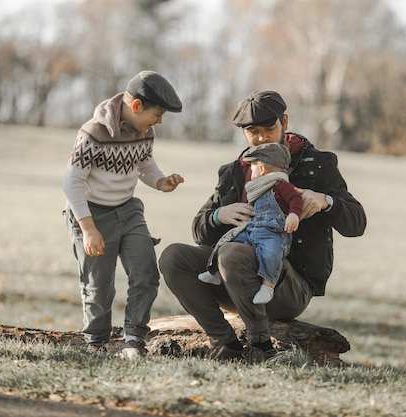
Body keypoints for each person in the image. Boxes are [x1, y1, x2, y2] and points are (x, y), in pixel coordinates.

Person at [159, 90, 366, 362]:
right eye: (252, 131)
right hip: (233, 279)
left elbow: (357, 222)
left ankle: (261, 347)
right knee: (173, 257)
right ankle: (226, 344)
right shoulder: (234, 171)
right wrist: (219, 215)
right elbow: (199, 229)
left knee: (231, 254)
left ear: (285, 122)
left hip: (289, 286)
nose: (260, 138)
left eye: (268, 128)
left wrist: (326, 201)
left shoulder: (317, 164)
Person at [63, 70, 184, 358]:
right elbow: (72, 181)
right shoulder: (93, 133)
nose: (159, 121)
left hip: (128, 210)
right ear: (136, 106)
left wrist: (160, 181)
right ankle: (97, 343)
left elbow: (144, 164)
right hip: (91, 214)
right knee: (98, 285)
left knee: (145, 272)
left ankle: (133, 341)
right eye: (157, 114)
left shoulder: (146, 131)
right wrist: (88, 228)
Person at [197, 142, 303, 305]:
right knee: (228, 241)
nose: (250, 172)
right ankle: (216, 272)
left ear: (261, 169)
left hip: (273, 232)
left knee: (271, 252)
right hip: (252, 229)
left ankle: (268, 286)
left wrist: (294, 215)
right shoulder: (259, 188)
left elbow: (296, 198)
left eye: (252, 168)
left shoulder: (281, 185)